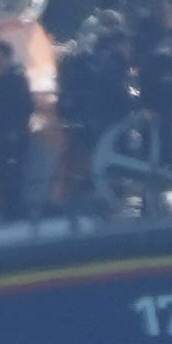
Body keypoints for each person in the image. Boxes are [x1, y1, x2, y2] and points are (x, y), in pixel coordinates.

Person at [54, 15, 128, 207]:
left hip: (87, 114)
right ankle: (107, 190)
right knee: (106, 153)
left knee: (89, 154)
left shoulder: (84, 60)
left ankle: (83, 188)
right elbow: (113, 91)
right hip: (103, 117)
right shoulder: (109, 63)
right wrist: (133, 105)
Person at [0, 40, 37, 223]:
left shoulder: (13, 78)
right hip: (6, 132)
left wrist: (15, 127)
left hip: (11, 133)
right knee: (6, 172)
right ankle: (10, 210)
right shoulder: (7, 77)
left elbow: (26, 105)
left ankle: (13, 211)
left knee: (10, 172)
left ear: (3, 55)